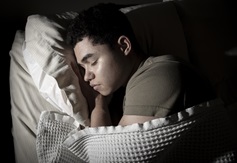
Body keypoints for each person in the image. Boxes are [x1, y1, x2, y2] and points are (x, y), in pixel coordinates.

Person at [67, 3, 216, 127]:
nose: (87, 76)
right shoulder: (124, 91)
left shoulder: (158, 75)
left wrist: (99, 104)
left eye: (92, 62)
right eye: (83, 67)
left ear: (124, 46)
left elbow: (109, 155)